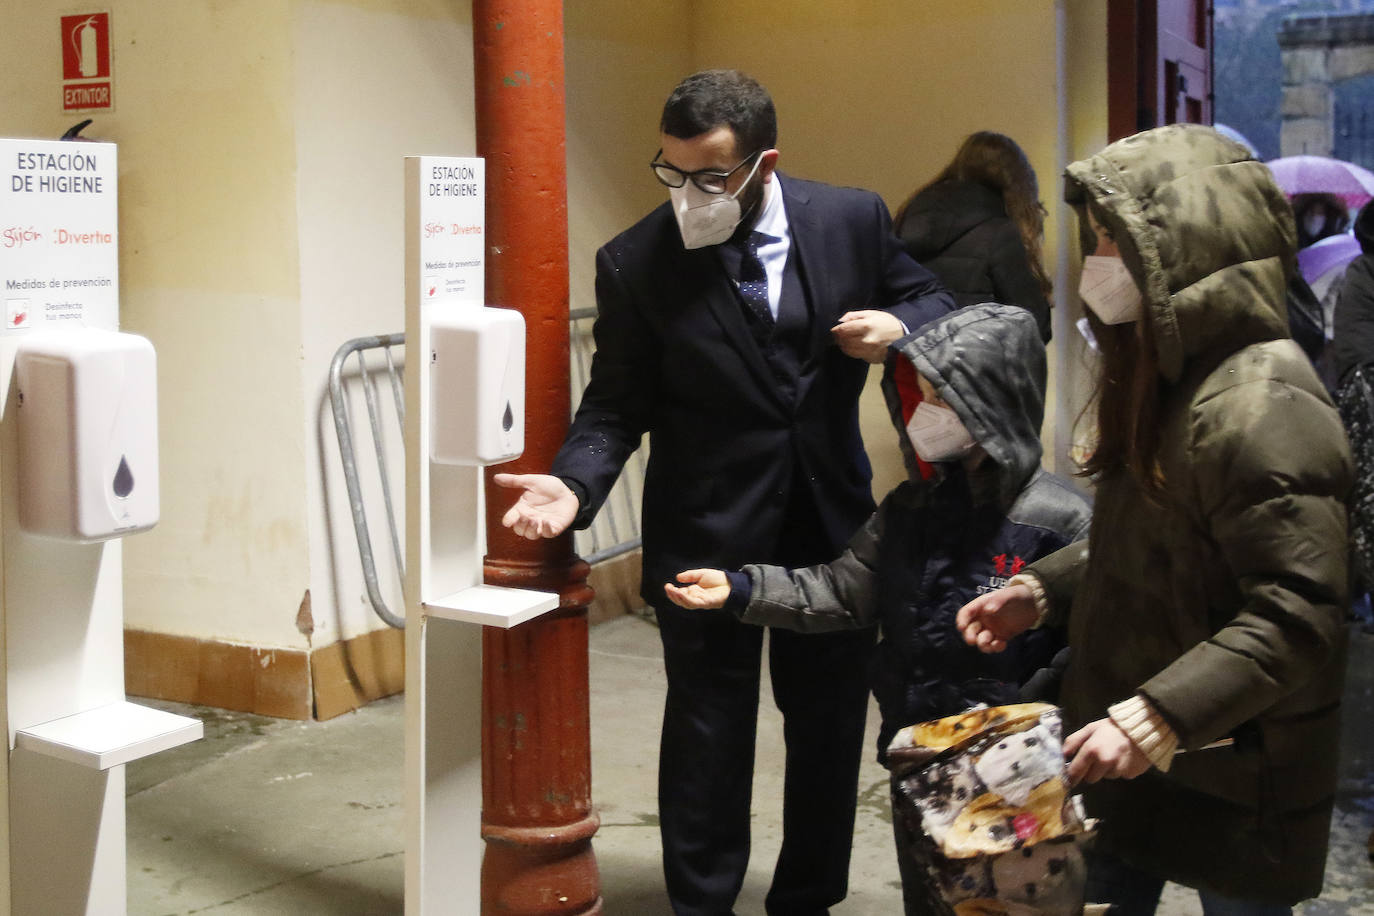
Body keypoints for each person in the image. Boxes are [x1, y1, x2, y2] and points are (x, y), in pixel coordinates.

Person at [494, 69, 954, 915]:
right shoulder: (635, 262)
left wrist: (902, 329)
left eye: (709, 176)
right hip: (703, 530)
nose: (687, 194)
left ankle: (806, 897)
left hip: (832, 530)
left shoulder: (851, 220)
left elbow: (934, 300)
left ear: (763, 165)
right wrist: (572, 482)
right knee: (709, 731)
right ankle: (701, 903)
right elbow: (615, 402)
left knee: (826, 726)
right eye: (670, 172)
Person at [956, 124, 1353, 915]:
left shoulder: (1264, 402)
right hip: (1145, 746)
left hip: (1233, 762)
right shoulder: (1176, 375)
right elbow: (1154, 533)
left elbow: (1299, 609)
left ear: (1182, 249)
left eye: (1112, 241)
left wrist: (1156, 717)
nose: (1095, 261)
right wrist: (1042, 592)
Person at [662, 303, 1091, 915]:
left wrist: (1036, 725)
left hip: (1021, 770)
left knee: (1015, 903)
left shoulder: (1062, 523)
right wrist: (744, 590)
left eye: (944, 398)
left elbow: (1090, 646)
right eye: (920, 396)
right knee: (931, 894)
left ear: (992, 401)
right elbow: (844, 589)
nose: (924, 414)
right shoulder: (913, 508)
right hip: (918, 752)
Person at [893, 131, 1054, 341]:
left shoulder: (907, 216)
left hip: (908, 367)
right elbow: (1034, 328)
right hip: (974, 369)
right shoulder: (1000, 233)